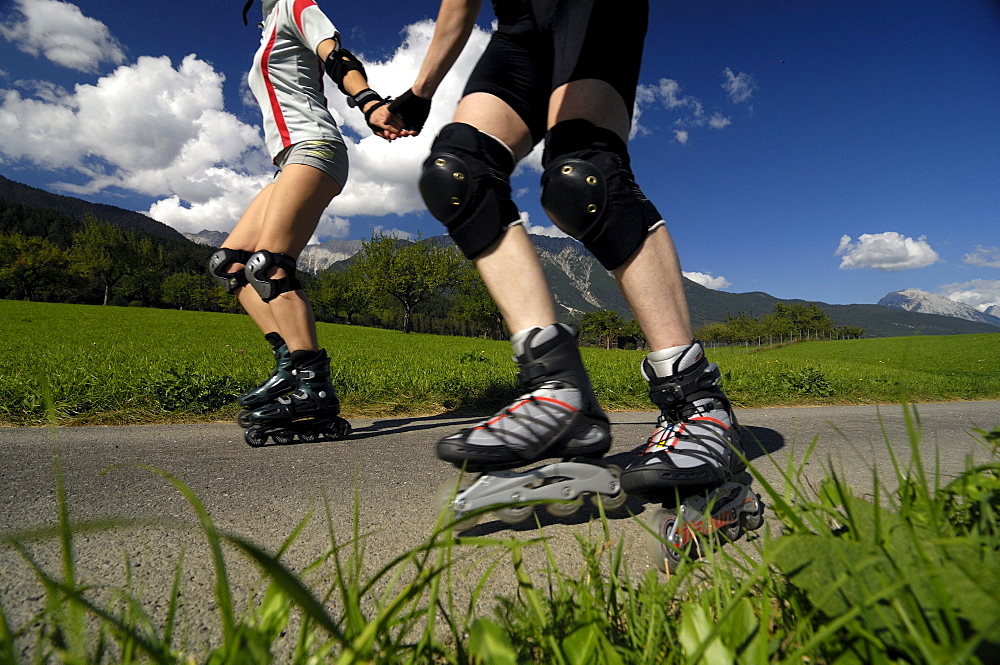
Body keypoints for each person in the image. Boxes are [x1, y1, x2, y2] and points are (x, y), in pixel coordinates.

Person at [374, 0, 745, 498]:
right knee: (458, 173)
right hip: (520, 25)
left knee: (585, 178)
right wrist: (421, 92)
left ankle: (697, 400)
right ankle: (556, 388)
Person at [209, 0, 396, 442]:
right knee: (230, 266)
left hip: (316, 145)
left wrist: (369, 101)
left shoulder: (297, 4)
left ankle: (314, 387)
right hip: (291, 157)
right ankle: (291, 368)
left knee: (269, 265)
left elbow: (336, 55)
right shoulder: (268, 24)